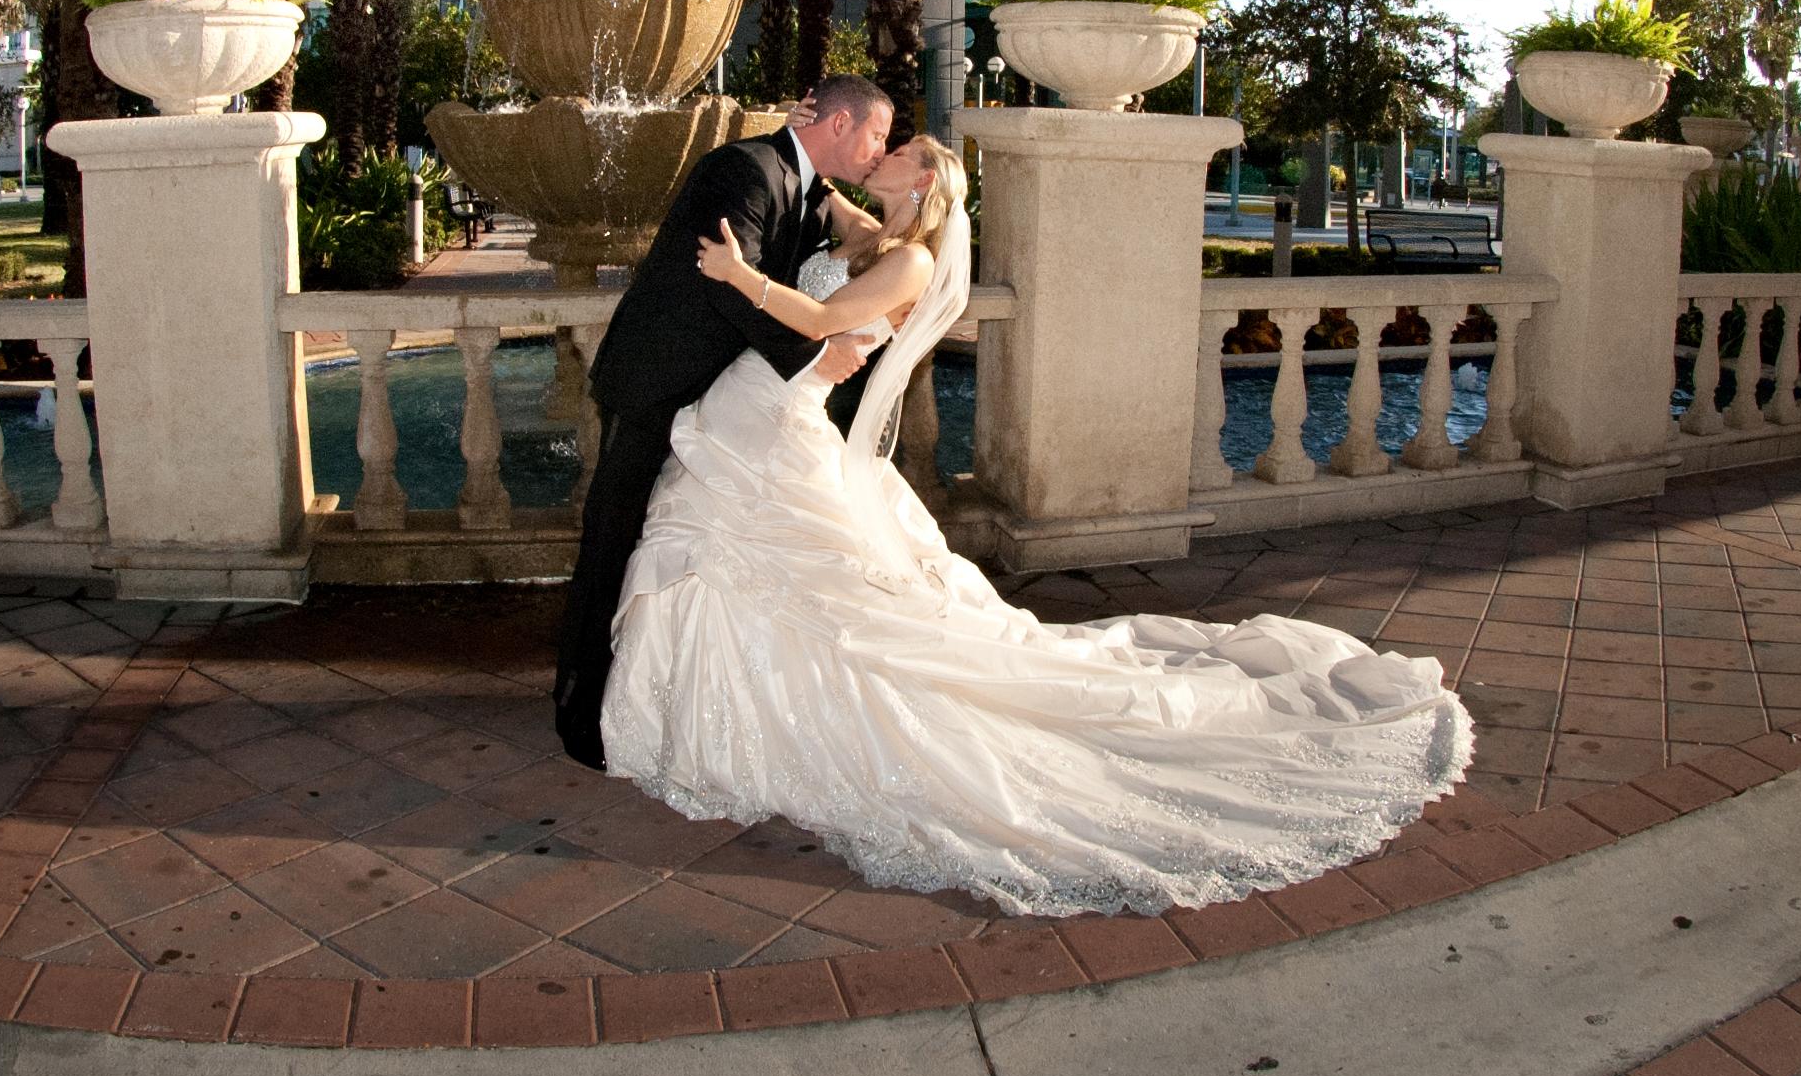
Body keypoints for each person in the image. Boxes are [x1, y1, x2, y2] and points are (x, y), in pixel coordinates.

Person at [601, 131, 1475, 918]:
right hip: (760, 410)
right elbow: (832, 202)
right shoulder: (886, 239)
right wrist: (802, 154)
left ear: (927, 180)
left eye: (897, 151)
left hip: (782, 409)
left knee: (806, 587)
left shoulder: (909, 263)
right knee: (753, 563)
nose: (884, 157)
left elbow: (829, 318)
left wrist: (739, 277)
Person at [553, 76, 892, 768]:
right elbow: (727, 282)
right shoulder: (743, 171)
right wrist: (814, 357)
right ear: (838, 123)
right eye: (877, 135)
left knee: (669, 545)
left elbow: (875, 234)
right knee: (615, 533)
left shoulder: (805, 186)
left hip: (714, 400)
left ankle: (645, 689)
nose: (880, 151)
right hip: (654, 384)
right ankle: (582, 710)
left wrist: (875, 204)